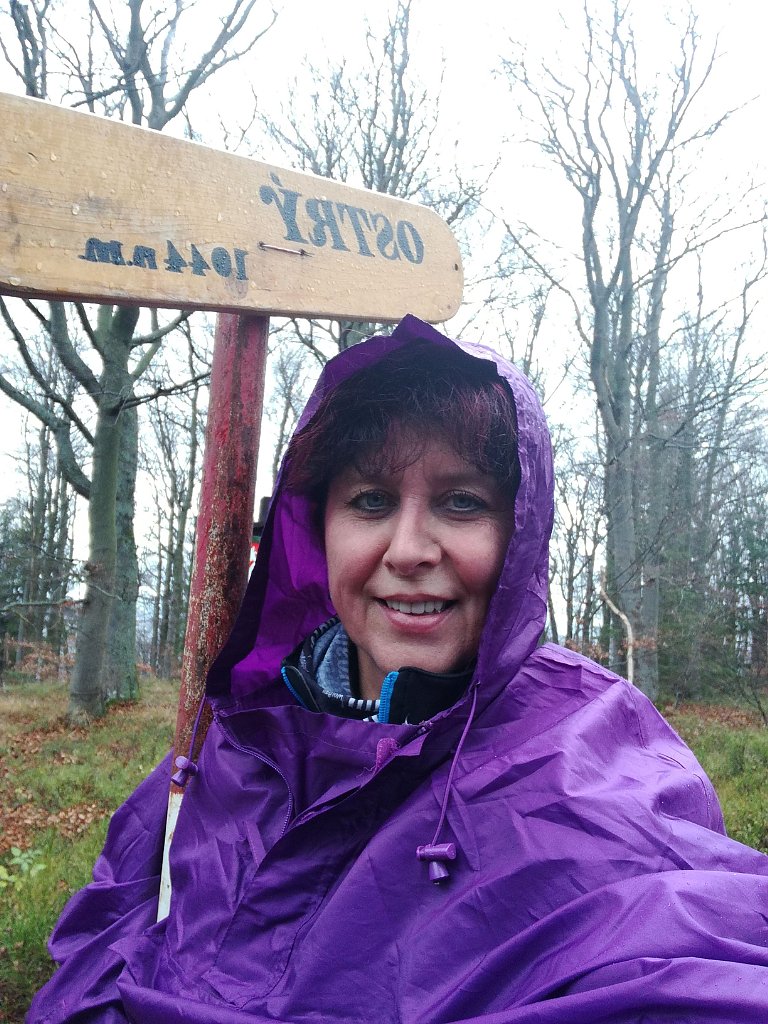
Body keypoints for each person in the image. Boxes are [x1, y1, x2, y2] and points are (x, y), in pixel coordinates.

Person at [29, 315, 768, 1023]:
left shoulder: (602, 760)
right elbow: (102, 947)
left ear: (521, 530)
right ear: (318, 530)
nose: (410, 549)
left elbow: (685, 951)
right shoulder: (229, 739)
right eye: (372, 500)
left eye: (462, 502)